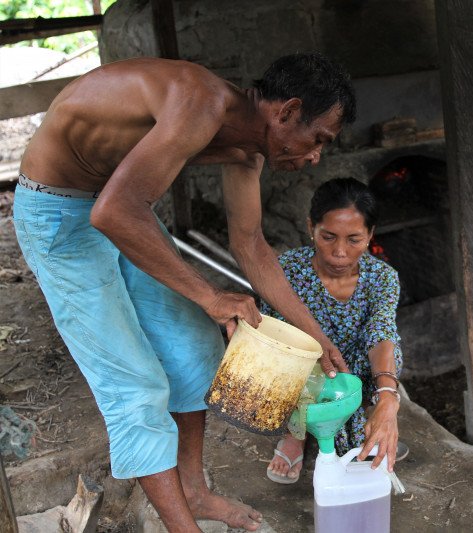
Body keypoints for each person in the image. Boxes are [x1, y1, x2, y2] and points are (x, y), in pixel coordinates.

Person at [12, 53, 355, 532]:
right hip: (59, 214)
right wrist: (210, 295)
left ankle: (193, 493)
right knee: (135, 385)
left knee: (195, 349)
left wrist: (318, 340)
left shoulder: (248, 149)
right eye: (318, 139)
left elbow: (251, 247)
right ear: (286, 111)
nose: (316, 155)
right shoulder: (199, 102)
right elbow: (111, 214)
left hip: (120, 202)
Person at [260, 178, 405, 484]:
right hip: (304, 365)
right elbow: (272, 334)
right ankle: (295, 433)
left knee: (388, 352)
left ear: (371, 235)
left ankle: (367, 414)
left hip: (354, 366)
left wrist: (388, 398)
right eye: (328, 237)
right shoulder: (286, 270)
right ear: (311, 226)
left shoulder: (383, 277)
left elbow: (381, 330)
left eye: (354, 240)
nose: (339, 252)